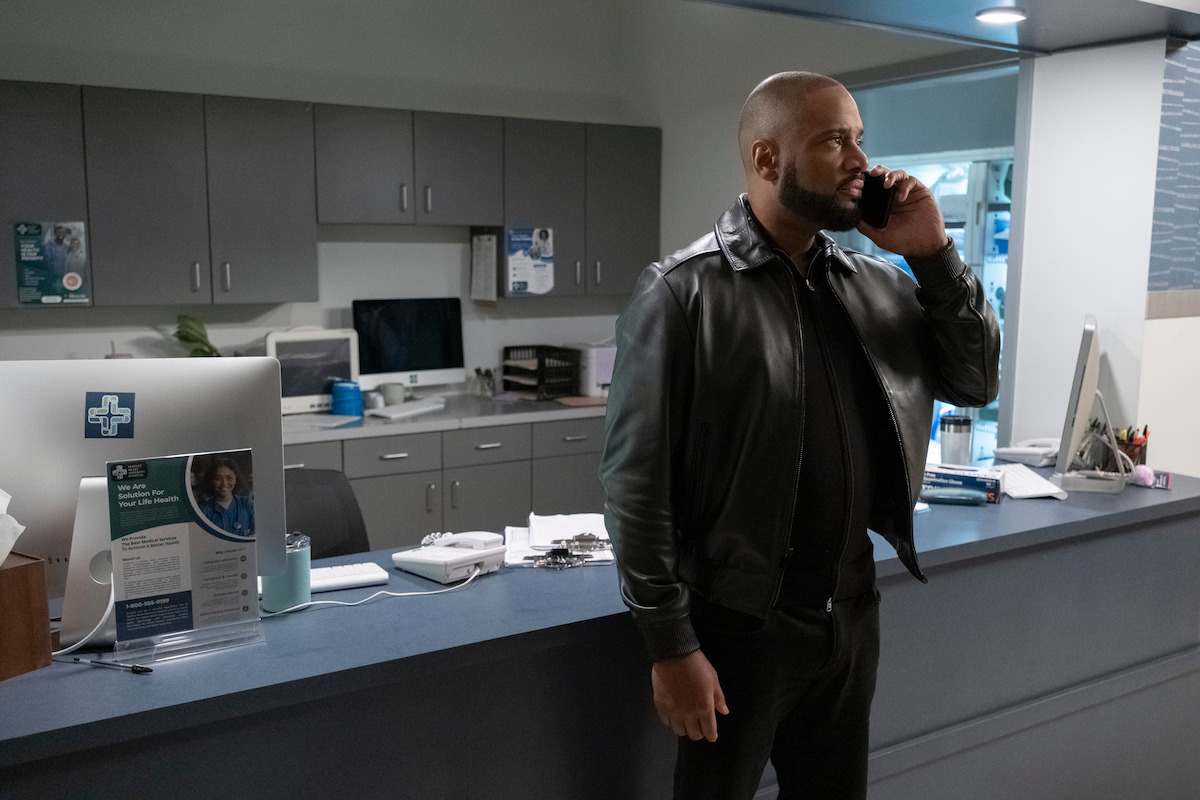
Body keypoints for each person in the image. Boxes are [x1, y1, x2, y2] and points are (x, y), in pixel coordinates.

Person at [599, 71, 1000, 800]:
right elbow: (635, 484)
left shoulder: (877, 284)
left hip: (850, 613)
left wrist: (933, 256)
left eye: (861, 139)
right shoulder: (683, 293)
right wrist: (671, 644)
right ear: (767, 159)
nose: (861, 161)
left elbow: (973, 383)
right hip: (738, 626)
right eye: (833, 140)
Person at [197, 458, 255, 536]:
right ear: (211, 481)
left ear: (235, 479)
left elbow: (257, 535)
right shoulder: (203, 511)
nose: (224, 483)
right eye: (218, 479)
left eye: (229, 478)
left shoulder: (247, 505)